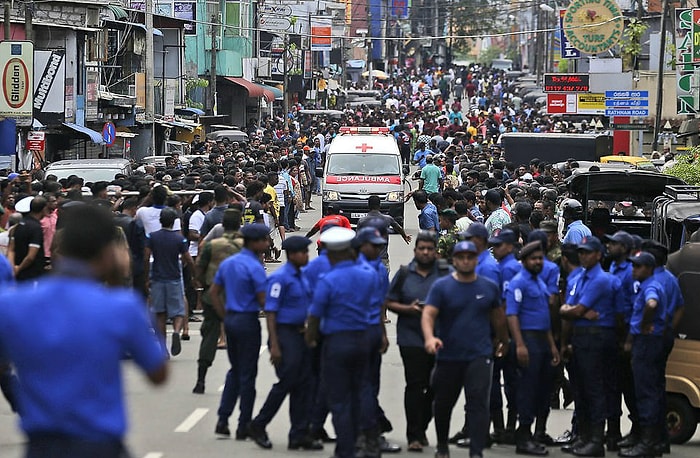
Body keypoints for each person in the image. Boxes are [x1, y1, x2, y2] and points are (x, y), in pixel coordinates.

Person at [0, 204, 167, 458]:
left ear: (59, 251)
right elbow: (158, 374)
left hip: (40, 446)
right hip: (100, 444)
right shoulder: (121, 307)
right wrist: (117, 282)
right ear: (107, 252)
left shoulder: (14, 305)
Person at [422, 240, 509, 458]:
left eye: (470, 257)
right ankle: (442, 447)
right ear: (455, 260)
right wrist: (430, 337)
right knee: (443, 403)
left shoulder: (488, 287)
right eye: (461, 257)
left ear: (476, 259)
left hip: (479, 356)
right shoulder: (442, 287)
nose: (466, 261)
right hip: (448, 355)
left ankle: (476, 451)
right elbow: (429, 314)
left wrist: (503, 341)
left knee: (478, 404)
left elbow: (498, 318)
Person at [305, 226, 378, 458]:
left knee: (338, 399)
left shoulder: (328, 280)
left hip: (336, 343)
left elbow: (315, 315)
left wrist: (311, 340)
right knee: (360, 393)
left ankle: (345, 448)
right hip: (363, 339)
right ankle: (363, 441)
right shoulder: (368, 274)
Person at [247, 236, 323, 451]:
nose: (307, 256)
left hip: (302, 334)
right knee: (288, 379)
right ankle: (259, 423)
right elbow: (270, 312)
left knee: (305, 384)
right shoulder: (280, 278)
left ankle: (299, 434)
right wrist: (275, 345)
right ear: (292, 255)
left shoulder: (303, 276)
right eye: (303, 252)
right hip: (285, 334)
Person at [386, 231, 452, 452]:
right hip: (411, 338)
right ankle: (413, 434)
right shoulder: (405, 274)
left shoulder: (445, 273)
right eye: (421, 248)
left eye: (429, 249)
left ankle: (422, 426)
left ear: (436, 251)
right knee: (415, 386)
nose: (425, 252)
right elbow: (388, 301)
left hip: (440, 339)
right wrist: (409, 309)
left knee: (436, 386)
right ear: (415, 250)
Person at [560, 236, 620, 458]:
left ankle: (596, 440)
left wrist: (572, 310)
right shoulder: (579, 277)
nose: (583, 255)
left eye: (587, 252)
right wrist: (572, 311)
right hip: (581, 337)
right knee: (582, 390)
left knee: (594, 389)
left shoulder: (601, 279)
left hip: (596, 338)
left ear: (598, 255)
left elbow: (574, 310)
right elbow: (570, 309)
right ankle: (584, 437)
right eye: (581, 252)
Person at [210, 223, 269, 439]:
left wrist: (224, 315)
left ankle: (223, 418)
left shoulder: (229, 263)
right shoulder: (254, 267)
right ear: (255, 242)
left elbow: (214, 292)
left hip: (232, 319)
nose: (267, 243)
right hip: (247, 322)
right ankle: (244, 423)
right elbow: (264, 301)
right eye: (264, 239)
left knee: (235, 370)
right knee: (248, 374)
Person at [505, 242, 560, 456]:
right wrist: (519, 344)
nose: (537, 262)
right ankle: (524, 436)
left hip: (543, 342)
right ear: (525, 261)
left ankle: (534, 435)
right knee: (527, 389)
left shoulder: (539, 283)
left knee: (542, 389)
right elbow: (512, 315)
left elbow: (544, 317)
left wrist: (552, 346)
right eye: (533, 259)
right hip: (527, 341)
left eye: (540, 258)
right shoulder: (518, 283)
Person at [618, 252, 667, 458]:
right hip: (646, 342)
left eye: (638, 267)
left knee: (645, 393)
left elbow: (651, 304)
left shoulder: (651, 286)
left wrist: (645, 323)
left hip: (647, 343)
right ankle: (652, 441)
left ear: (648, 268)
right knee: (648, 392)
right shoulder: (646, 285)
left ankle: (647, 443)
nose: (634, 270)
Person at [192, 208, 244, 394]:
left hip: (212, 296)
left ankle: (201, 378)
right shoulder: (245, 245)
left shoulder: (211, 245)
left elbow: (199, 268)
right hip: (238, 298)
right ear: (239, 224)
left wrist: (202, 285)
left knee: (209, 336)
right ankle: (240, 377)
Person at [357, 195, 412, 273]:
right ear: (380, 205)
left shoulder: (362, 221)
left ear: (368, 206)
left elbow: (357, 239)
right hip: (382, 257)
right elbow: (398, 228)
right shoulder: (387, 218)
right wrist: (404, 236)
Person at [11, 196, 48, 282]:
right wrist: (19, 268)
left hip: (18, 272)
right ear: (43, 208)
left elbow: (11, 249)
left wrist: (14, 267)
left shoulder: (19, 224)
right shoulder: (36, 228)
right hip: (31, 275)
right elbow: (31, 257)